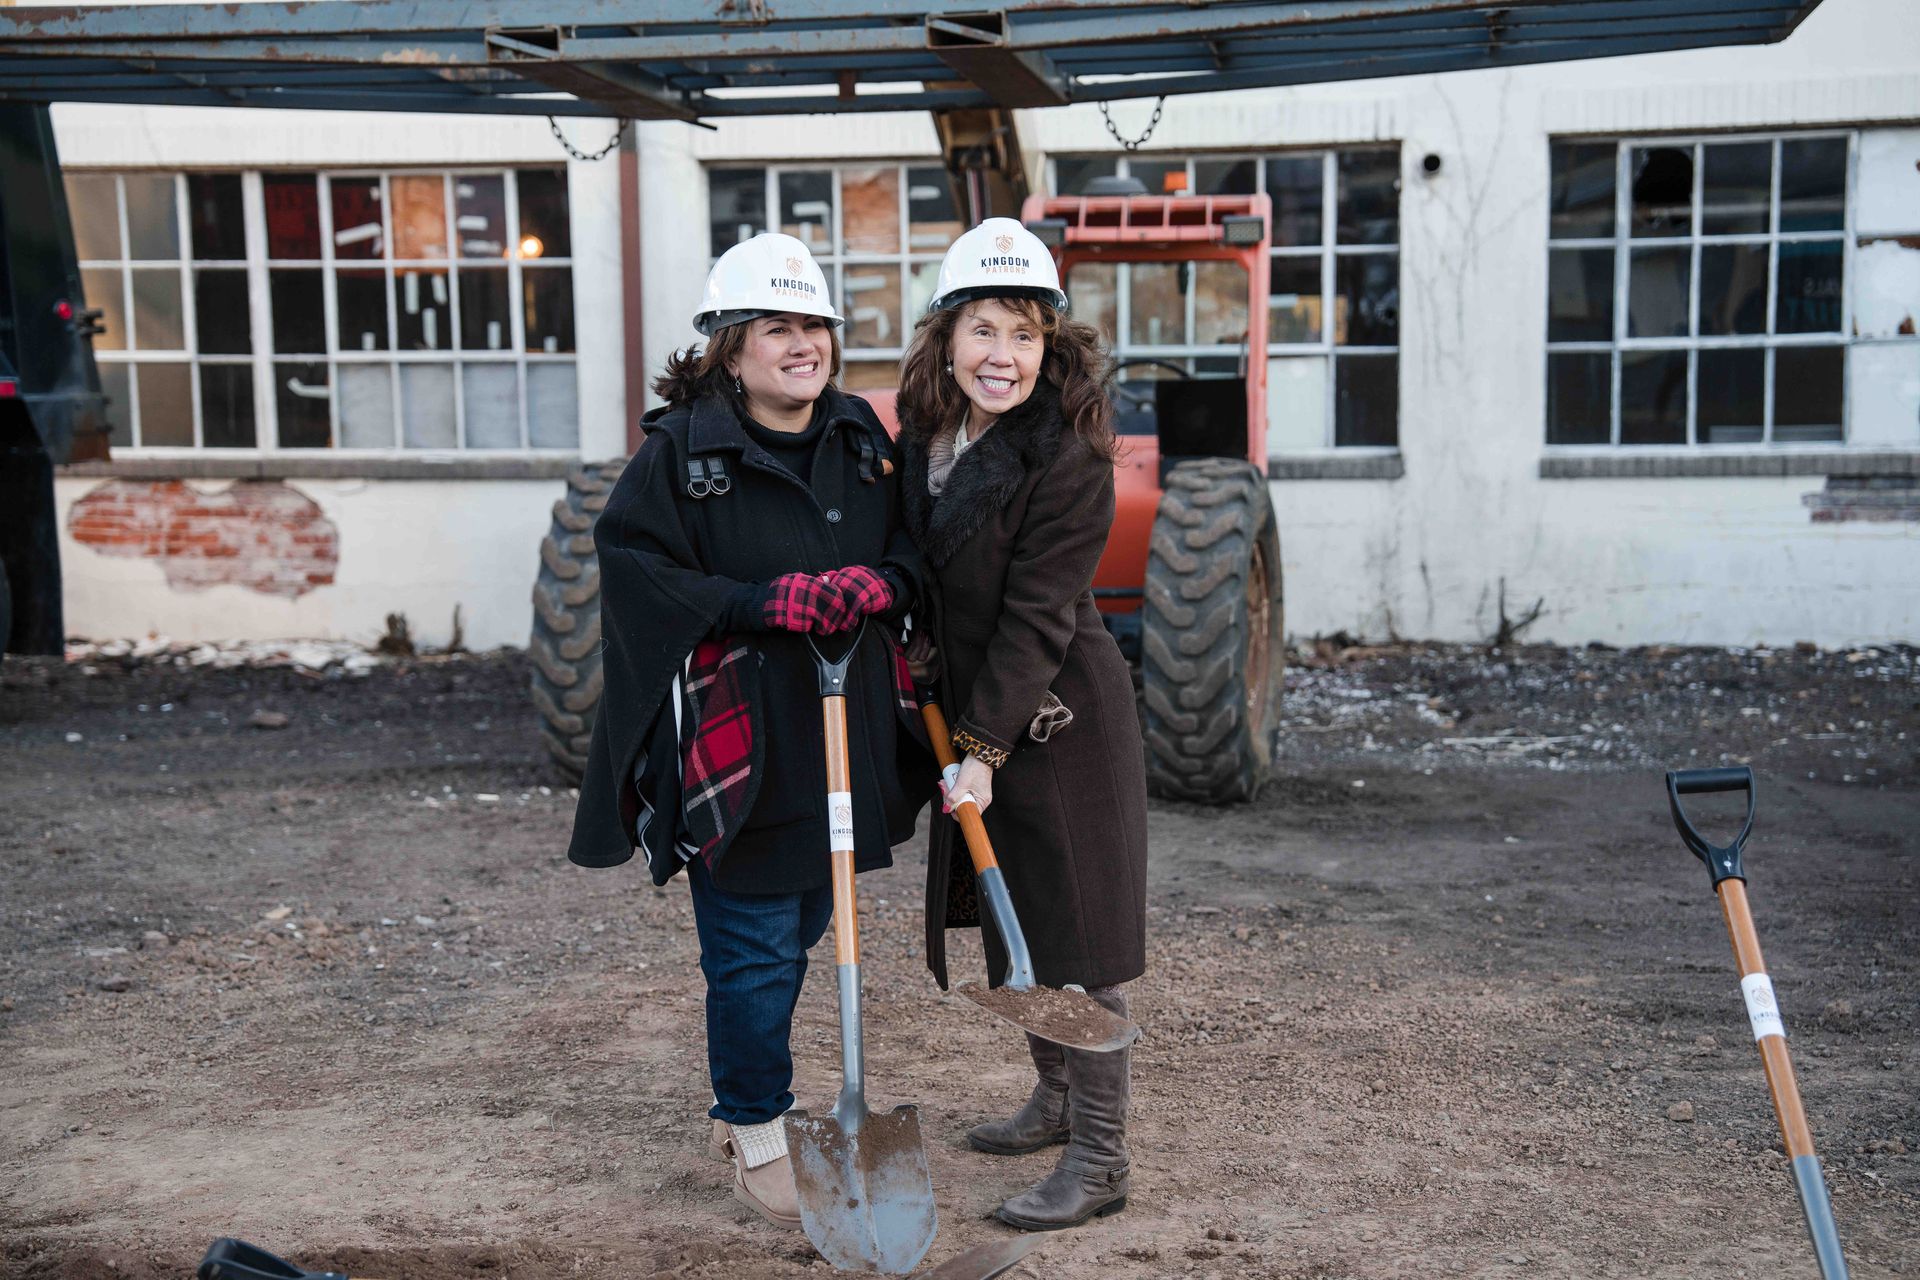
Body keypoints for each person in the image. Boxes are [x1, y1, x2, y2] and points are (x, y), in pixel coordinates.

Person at [566, 232, 930, 1230]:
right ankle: (759, 1133)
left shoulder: (864, 437)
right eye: (778, 326)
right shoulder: (681, 456)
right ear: (730, 347)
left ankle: (741, 1097)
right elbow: (637, 572)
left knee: (808, 922)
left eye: (814, 323)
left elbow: (913, 547)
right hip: (741, 744)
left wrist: (885, 580)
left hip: (842, 733)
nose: (802, 343)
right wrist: (755, 600)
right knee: (757, 948)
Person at [894, 217, 1149, 1230]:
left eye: (1026, 334)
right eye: (984, 329)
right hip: (972, 707)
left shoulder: (1069, 452)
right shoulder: (926, 433)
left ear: (1053, 346)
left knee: (1076, 937)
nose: (1003, 355)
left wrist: (984, 749)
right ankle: (1053, 1097)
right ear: (947, 335)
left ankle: (1101, 1157)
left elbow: (1040, 611)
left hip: (1055, 716)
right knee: (1021, 928)